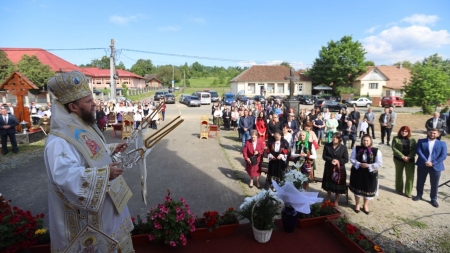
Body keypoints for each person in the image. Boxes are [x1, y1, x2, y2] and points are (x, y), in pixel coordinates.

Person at [43, 71, 133, 251]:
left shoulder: (81, 125)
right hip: (87, 220)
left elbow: (88, 153)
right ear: (73, 107)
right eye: (88, 101)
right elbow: (64, 176)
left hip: (108, 210)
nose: (95, 104)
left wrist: (110, 149)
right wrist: (105, 173)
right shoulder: (58, 141)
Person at [413, 128, 447, 208]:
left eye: (434, 133)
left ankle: (433, 199)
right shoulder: (421, 141)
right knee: (420, 181)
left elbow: (443, 156)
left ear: (438, 134)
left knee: (434, 184)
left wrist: (433, 163)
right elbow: (418, 151)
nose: (432, 134)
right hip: (422, 165)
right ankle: (419, 195)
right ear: (428, 133)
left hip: (436, 167)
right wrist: (426, 161)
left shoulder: (442, 144)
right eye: (431, 133)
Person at [349, 135, 382, 214]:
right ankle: (357, 204)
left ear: (370, 141)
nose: (365, 142)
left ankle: (365, 205)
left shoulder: (376, 151)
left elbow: (379, 163)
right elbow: (352, 158)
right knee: (358, 187)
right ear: (361, 141)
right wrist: (359, 164)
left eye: (367, 140)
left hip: (370, 172)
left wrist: (369, 165)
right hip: (358, 171)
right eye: (364, 140)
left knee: (368, 188)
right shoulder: (357, 149)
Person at [322, 132, 349, 206]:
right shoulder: (327, 145)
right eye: (333, 137)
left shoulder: (343, 147)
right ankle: (328, 198)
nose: (334, 139)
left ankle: (336, 200)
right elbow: (324, 156)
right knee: (329, 183)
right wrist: (331, 160)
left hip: (339, 168)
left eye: (336, 138)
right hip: (329, 167)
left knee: (338, 184)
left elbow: (346, 159)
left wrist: (338, 161)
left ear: (339, 139)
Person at [392, 126, 417, 198]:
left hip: (410, 160)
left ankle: (408, 192)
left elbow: (415, 149)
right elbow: (394, 148)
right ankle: (399, 189)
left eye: (406, 131)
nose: (404, 132)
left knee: (410, 176)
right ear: (400, 131)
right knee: (399, 174)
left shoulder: (412, 139)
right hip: (398, 159)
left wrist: (409, 157)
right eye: (402, 131)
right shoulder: (396, 138)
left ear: (408, 132)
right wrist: (402, 156)